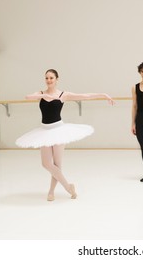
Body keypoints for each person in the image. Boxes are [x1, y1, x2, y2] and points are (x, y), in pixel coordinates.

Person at [16, 69, 114, 201]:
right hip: (44, 131)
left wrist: (103, 94)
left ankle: (51, 192)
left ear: (57, 79)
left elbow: (85, 96)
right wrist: (44, 97)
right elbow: (27, 97)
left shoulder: (63, 94)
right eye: (47, 78)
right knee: (46, 163)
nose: (49, 80)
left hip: (58, 130)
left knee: (57, 165)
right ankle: (68, 187)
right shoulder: (40, 93)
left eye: (51, 78)